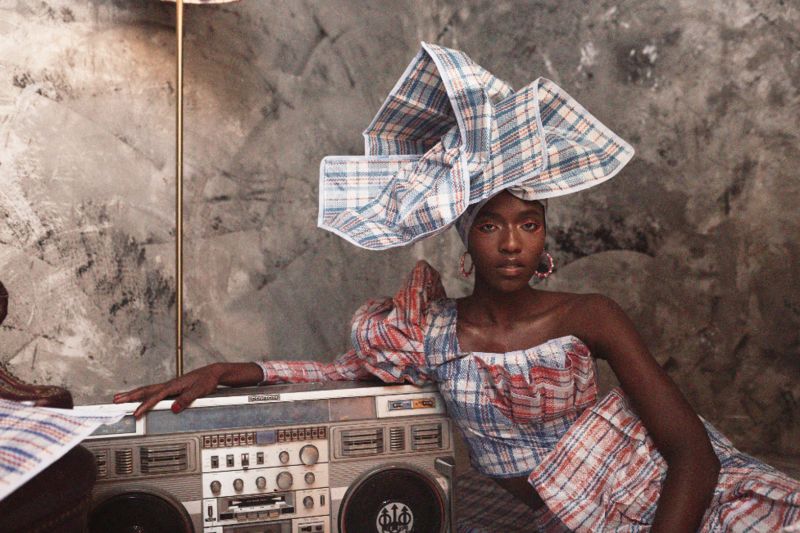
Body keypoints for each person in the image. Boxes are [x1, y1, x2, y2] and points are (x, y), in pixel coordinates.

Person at [115, 43, 800, 532]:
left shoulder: (589, 314)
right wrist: (231, 369)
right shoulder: (431, 331)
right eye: (493, 225)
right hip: (578, 518)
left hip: (680, 501)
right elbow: (341, 375)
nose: (511, 242)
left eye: (528, 225)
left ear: (544, 239)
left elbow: (692, 453)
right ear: (465, 240)